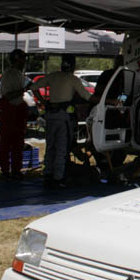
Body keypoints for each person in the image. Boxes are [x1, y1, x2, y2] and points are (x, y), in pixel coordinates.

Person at [32, 55, 92, 188]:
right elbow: (87, 96)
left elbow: (34, 87)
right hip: (63, 116)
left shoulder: (53, 76)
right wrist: (102, 99)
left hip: (50, 116)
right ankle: (58, 177)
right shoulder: (73, 79)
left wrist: (43, 102)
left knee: (50, 146)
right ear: (73, 66)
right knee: (61, 148)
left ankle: (48, 174)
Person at [0, 48, 29, 180]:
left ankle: (16, 169)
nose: (24, 62)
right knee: (6, 142)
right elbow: (8, 95)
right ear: (17, 60)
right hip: (9, 112)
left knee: (18, 143)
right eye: (23, 60)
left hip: (17, 112)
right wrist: (23, 90)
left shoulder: (19, 74)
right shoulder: (8, 75)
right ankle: (5, 169)